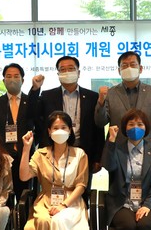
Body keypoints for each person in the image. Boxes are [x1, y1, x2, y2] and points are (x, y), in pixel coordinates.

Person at [19, 111, 89, 230]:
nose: (59, 131)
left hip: (71, 202)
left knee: (60, 221)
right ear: (49, 131)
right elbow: (24, 176)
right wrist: (26, 149)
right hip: (46, 200)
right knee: (43, 221)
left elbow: (81, 185)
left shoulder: (80, 154)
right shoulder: (40, 154)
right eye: (55, 128)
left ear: (70, 130)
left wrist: (64, 205)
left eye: (63, 127)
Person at [36, 55, 105, 187]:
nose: (67, 72)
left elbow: (98, 129)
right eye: (62, 69)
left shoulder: (92, 96)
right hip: (54, 150)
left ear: (79, 73)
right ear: (58, 74)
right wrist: (35, 89)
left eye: (71, 69)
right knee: (54, 190)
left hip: (84, 150)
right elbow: (34, 118)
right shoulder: (47, 96)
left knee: (82, 189)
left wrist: (98, 157)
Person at [95, 51, 151, 163]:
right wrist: (101, 102)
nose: (129, 68)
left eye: (133, 65)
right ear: (119, 70)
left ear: (140, 69)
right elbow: (100, 122)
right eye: (124, 65)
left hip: (149, 152)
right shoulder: (111, 93)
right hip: (118, 152)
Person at [0, 63, 41, 203]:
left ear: (23, 80)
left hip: (25, 156)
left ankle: (24, 217)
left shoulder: (32, 102)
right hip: (2, 157)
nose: (12, 79)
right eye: (8, 76)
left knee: (25, 196)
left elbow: (38, 125)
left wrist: (31, 144)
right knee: (4, 196)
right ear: (3, 80)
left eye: (16, 76)